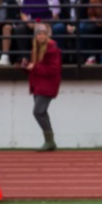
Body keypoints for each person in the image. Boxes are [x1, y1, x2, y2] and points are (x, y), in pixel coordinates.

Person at [27, 20, 62, 151]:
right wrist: (26, 67)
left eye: (43, 34)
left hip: (47, 84)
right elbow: (37, 68)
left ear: (47, 35)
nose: (41, 36)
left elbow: (53, 70)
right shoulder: (35, 49)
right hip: (38, 84)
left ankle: (50, 141)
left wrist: (34, 67)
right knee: (41, 112)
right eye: (38, 34)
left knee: (38, 112)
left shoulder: (53, 50)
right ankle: (50, 141)